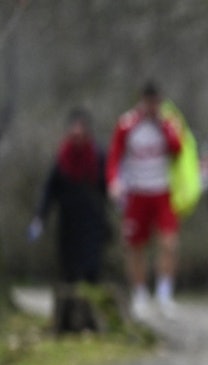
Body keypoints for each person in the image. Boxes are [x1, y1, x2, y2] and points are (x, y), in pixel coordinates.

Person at [106, 81, 182, 319]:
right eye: (148, 102)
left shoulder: (168, 123)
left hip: (162, 191)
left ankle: (164, 293)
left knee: (169, 243)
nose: (152, 107)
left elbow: (177, 149)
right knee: (135, 246)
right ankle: (139, 293)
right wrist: (114, 182)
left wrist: (163, 126)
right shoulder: (127, 124)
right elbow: (114, 157)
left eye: (156, 102)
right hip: (136, 192)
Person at [29, 108, 111, 284]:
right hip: (68, 222)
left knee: (92, 268)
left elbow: (108, 186)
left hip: (92, 221)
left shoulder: (98, 156)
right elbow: (49, 190)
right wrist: (40, 218)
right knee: (69, 268)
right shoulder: (62, 159)